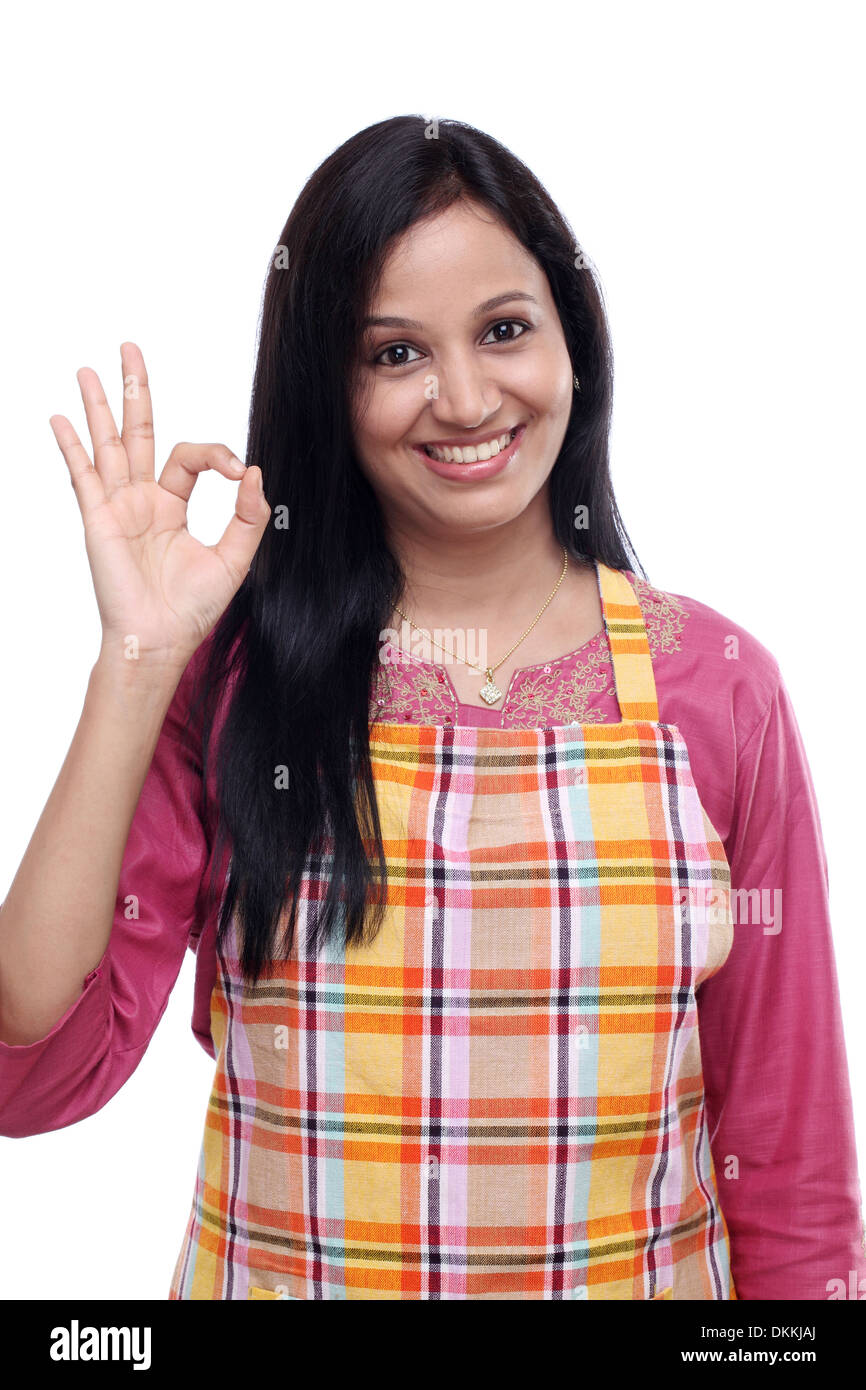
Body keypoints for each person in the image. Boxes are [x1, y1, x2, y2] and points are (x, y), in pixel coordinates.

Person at [1, 115, 863, 1302]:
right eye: (393, 353)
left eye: (503, 330)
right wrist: (138, 665)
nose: (463, 398)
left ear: (574, 341)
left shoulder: (717, 690)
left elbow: (788, 1169)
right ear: (326, 387)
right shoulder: (240, 680)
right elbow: (32, 1076)